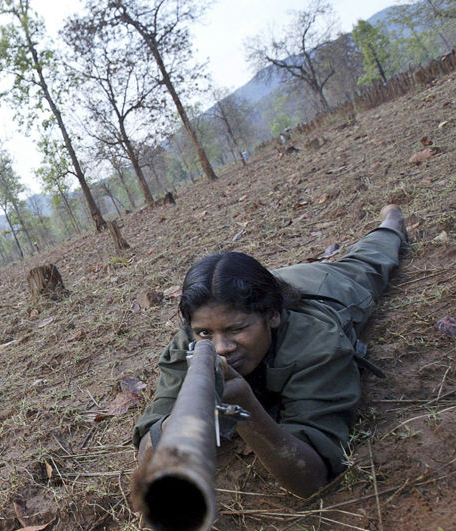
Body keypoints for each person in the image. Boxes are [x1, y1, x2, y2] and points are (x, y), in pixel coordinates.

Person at [134, 205, 407, 497]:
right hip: (252, 289)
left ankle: (392, 221)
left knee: (373, 257)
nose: (221, 348)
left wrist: (244, 409)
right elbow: (146, 447)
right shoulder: (191, 341)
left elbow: (312, 480)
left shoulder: (317, 344)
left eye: (237, 330)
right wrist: (186, 411)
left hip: (324, 287)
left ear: (273, 316)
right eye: (205, 333)